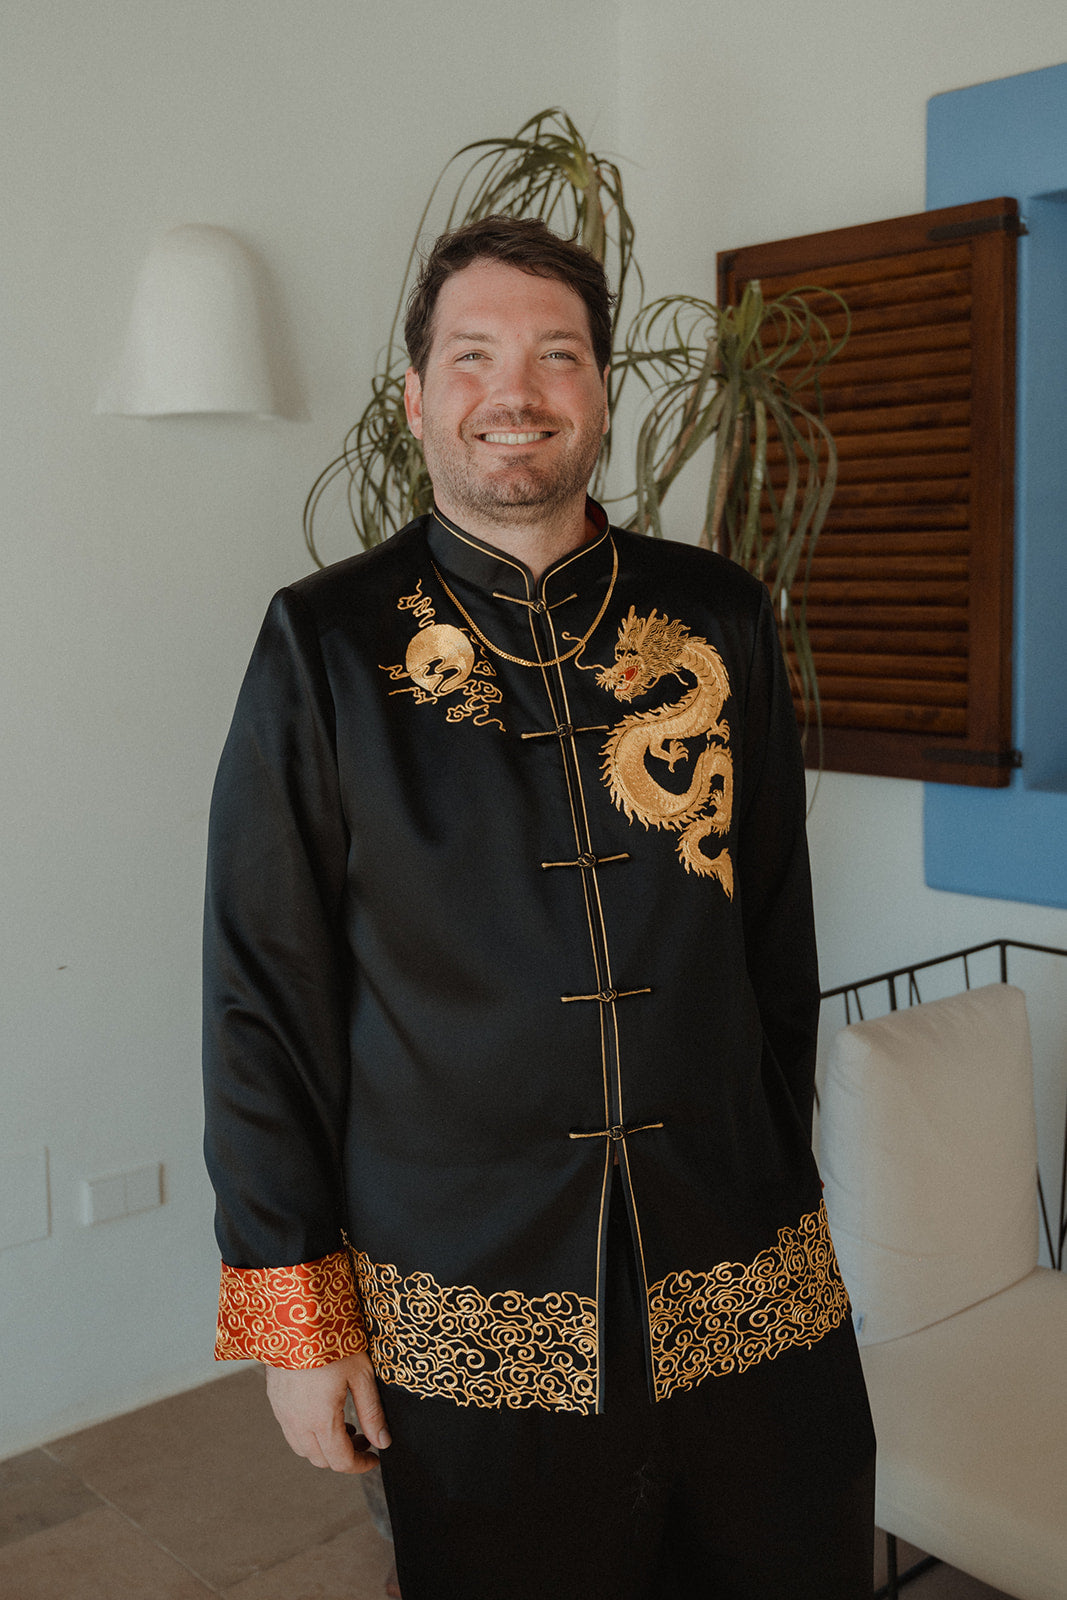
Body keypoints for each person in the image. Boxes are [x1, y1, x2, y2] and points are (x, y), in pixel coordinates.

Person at [203, 214, 875, 1599]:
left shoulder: (722, 618)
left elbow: (776, 943)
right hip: (468, 1289)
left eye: (557, 353)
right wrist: (298, 1320)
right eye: (474, 355)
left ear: (604, 391)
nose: (516, 389)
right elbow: (260, 991)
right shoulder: (323, 647)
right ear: (416, 396)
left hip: (740, 1259)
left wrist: (780, 1168)